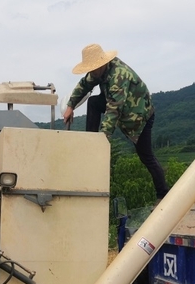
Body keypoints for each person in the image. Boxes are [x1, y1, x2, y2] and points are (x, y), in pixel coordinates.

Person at [63, 43, 169, 201]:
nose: (92, 72)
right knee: (93, 102)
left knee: (146, 156)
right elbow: (84, 85)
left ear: (103, 63)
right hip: (122, 108)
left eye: (94, 68)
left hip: (139, 117)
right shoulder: (97, 72)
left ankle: (164, 194)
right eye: (90, 69)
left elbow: (113, 110)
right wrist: (70, 106)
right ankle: (90, 140)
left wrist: (104, 137)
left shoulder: (119, 76)